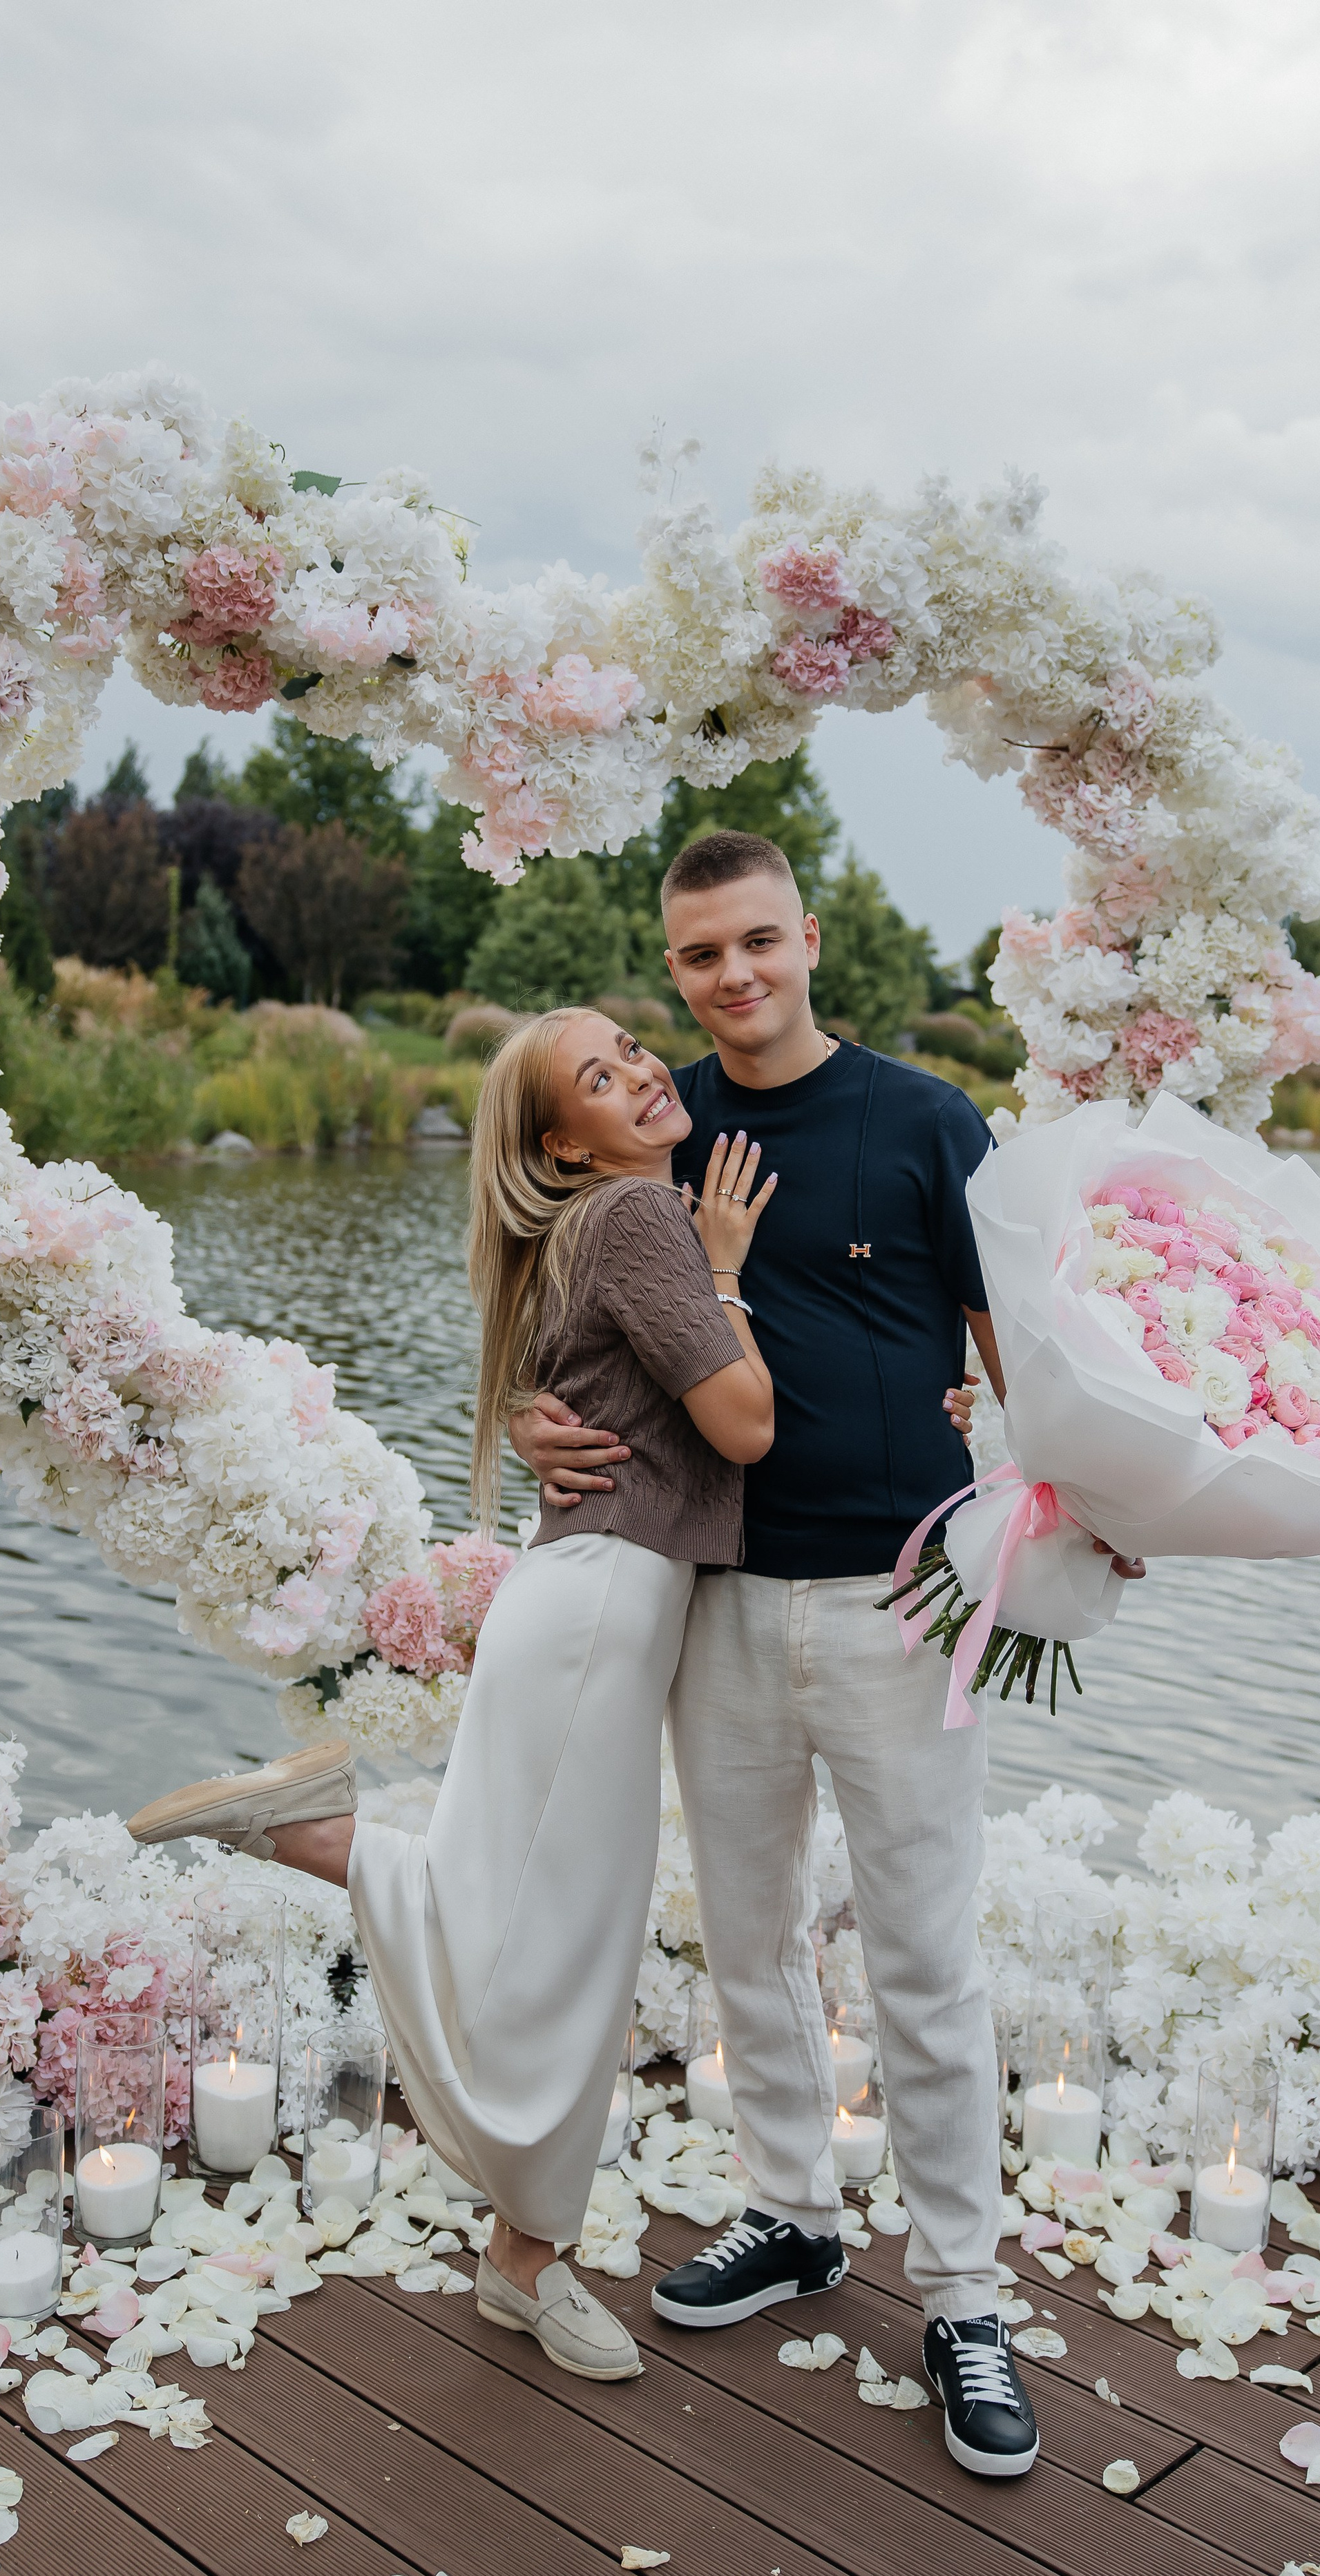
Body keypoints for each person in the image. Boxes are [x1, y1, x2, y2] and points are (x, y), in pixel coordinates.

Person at [510, 832, 1140, 2479]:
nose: (731, 979)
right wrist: (526, 1414)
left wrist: (1098, 1492)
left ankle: (960, 2296)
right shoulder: (657, 1131)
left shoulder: (926, 1120)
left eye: (756, 944)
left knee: (925, 1956)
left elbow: (1030, 1366)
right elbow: (563, 1299)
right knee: (748, 1937)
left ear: (810, 937)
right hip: (712, 1595)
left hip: (899, 1594)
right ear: (673, 975)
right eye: (700, 957)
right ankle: (791, 2212)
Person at [128, 1005, 776, 2384]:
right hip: (601, 1610)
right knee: (568, 1946)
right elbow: (745, 1424)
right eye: (597, 1081)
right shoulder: (641, 1221)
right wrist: (723, 1268)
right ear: (562, 1139)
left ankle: (514, 2252)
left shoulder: (575, 1237)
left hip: (586, 1607)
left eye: (631, 1053)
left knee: (536, 1922)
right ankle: (523, 2249)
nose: (641, 1075)